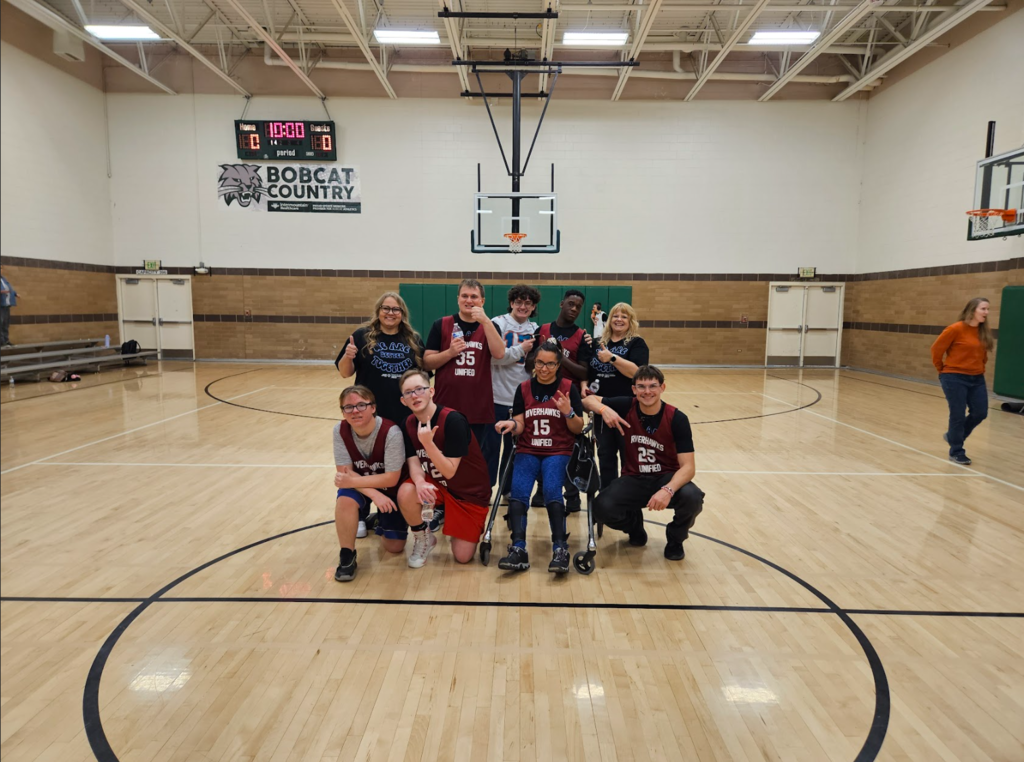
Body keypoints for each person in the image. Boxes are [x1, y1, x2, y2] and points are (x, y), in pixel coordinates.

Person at [583, 365, 704, 561]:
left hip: (665, 476)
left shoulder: (677, 418)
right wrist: (604, 410)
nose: (647, 392)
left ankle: (675, 539)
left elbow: (688, 467)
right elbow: (587, 400)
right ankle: (634, 527)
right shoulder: (625, 405)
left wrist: (668, 490)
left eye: (652, 386)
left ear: (662, 387)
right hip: (634, 478)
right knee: (601, 507)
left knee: (693, 497)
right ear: (634, 389)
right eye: (641, 386)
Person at [335, 291, 423, 537]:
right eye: (386, 308)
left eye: (395, 309)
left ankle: (393, 512)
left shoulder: (413, 339)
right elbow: (345, 373)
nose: (390, 313)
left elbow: (421, 377)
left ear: (402, 313)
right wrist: (347, 357)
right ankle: (361, 513)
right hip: (367, 415)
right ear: (378, 310)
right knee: (364, 464)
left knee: (394, 465)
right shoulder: (362, 336)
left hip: (401, 414)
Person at [495, 340, 584, 573]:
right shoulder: (523, 389)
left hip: (558, 450)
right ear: (534, 361)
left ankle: (560, 549)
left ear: (558, 364)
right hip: (528, 449)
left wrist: (569, 412)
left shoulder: (568, 388)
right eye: (540, 363)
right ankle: (518, 548)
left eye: (550, 364)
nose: (544, 369)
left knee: (553, 491)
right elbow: (521, 424)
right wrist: (511, 424)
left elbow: (577, 428)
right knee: (519, 493)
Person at [396, 369, 492, 567]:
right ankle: (424, 537)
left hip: (467, 491)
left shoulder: (453, 420)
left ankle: (455, 523)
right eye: (408, 393)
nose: (414, 396)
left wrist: (428, 443)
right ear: (403, 401)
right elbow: (414, 460)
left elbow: (449, 471)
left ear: (431, 391)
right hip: (438, 484)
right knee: (407, 491)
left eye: (419, 389)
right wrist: (420, 482)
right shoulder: (408, 423)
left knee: (463, 557)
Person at [423, 279, 506, 485]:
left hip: (477, 406)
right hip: (445, 405)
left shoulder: (491, 325)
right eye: (465, 296)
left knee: (471, 458)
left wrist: (486, 321)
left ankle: (468, 502)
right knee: (443, 457)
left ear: (482, 300)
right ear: (458, 299)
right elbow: (427, 362)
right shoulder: (441, 324)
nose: (469, 300)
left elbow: (499, 353)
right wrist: (450, 353)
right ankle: (444, 501)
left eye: (474, 296)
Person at [332, 386, 407, 582]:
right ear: (342, 411)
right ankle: (347, 556)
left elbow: (391, 478)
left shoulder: (391, 432)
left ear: (373, 407)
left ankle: (375, 519)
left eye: (361, 405)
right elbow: (344, 473)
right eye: (348, 407)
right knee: (345, 499)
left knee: (394, 547)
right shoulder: (340, 431)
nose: (355, 411)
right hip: (364, 487)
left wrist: (358, 483)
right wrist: (374, 493)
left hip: (389, 489)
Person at [530, 289, 593, 510]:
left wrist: (560, 356)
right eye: (571, 304)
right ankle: (541, 489)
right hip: (540, 395)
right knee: (541, 443)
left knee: (570, 447)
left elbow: (584, 373)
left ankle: (572, 494)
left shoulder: (582, 336)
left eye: (578, 306)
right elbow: (530, 364)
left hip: (568, 397)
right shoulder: (543, 330)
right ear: (561, 304)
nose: (574, 309)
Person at [587, 302, 650, 489]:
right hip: (601, 406)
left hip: (627, 407)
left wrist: (612, 358)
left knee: (627, 454)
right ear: (609, 320)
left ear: (631, 321)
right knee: (605, 454)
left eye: (624, 316)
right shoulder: (599, 343)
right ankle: (607, 498)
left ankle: (625, 497)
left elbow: (637, 373)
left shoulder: (637, 343)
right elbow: (587, 370)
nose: (619, 319)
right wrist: (584, 385)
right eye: (615, 316)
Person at [490, 285, 540, 502]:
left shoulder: (536, 329)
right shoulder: (497, 323)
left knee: (514, 450)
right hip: (495, 397)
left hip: (521, 401)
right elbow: (492, 357)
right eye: (519, 301)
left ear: (533, 306)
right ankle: (485, 489)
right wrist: (521, 350)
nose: (523, 306)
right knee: (490, 450)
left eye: (528, 303)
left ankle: (507, 490)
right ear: (511, 302)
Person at [931, 297, 993, 466]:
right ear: (973, 310)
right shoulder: (955, 329)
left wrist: (980, 368)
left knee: (980, 412)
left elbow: (983, 355)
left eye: (988, 309)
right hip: (954, 377)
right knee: (957, 414)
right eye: (983, 309)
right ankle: (957, 450)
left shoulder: (983, 331)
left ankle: (953, 436)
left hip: (977, 378)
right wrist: (941, 369)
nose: (986, 313)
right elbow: (936, 349)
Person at [1, 265, 17, 347]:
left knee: (5, 324)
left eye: (1, 268)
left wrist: (15, 294)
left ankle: (6, 341)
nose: (0, 270)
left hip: (6, 305)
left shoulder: (4, 279)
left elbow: (9, 289)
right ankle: (1, 342)